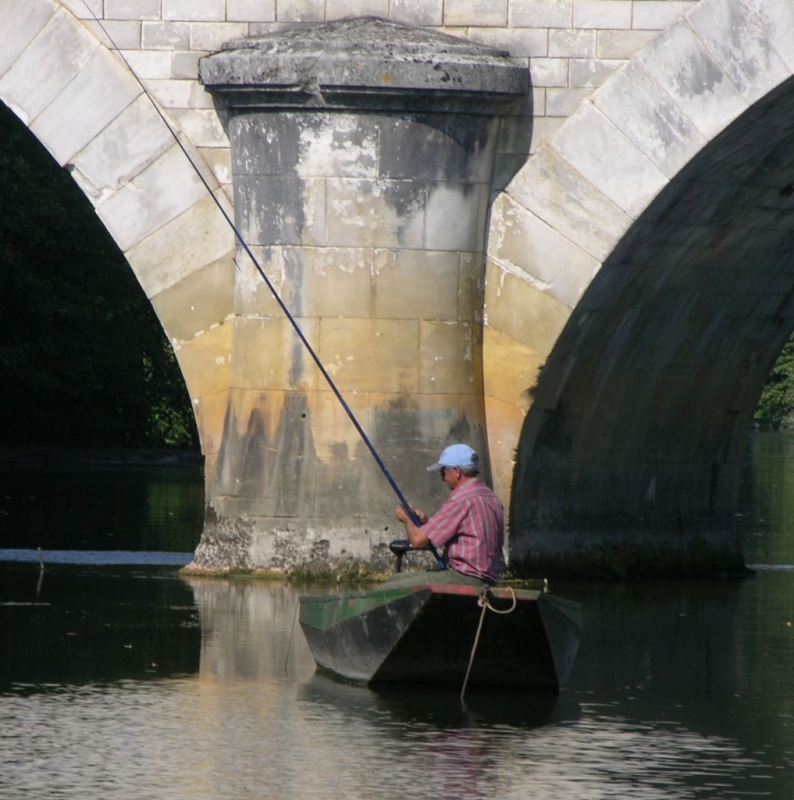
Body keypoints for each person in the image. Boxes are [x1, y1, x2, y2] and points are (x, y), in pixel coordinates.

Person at [395, 444, 505, 584]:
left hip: (465, 577)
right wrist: (425, 522)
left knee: (394, 586)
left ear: (457, 472)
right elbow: (462, 530)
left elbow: (418, 541)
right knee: (397, 579)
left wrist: (407, 519)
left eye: (443, 472)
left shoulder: (460, 500)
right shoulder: (492, 498)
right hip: (489, 578)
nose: (443, 478)